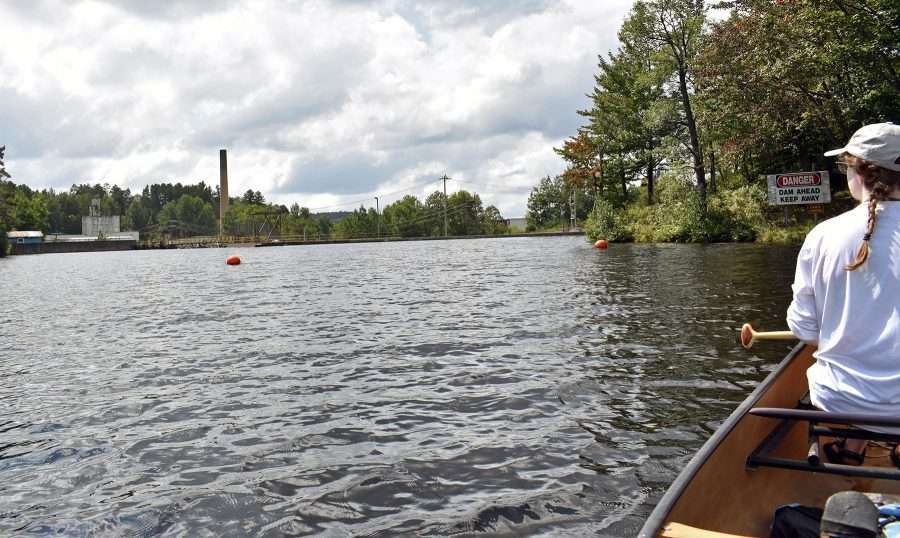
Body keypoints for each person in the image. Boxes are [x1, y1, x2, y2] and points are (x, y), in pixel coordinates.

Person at [786, 122, 900, 465]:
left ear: (857, 172)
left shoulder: (822, 236)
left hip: (838, 400)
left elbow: (804, 331)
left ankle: (851, 447)